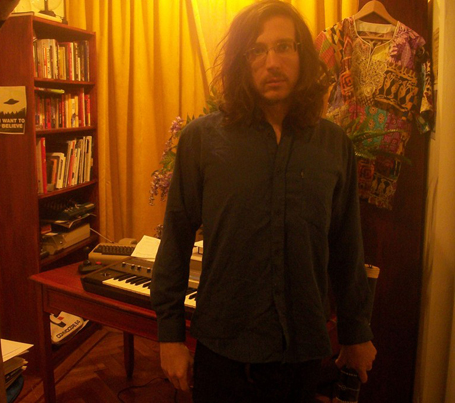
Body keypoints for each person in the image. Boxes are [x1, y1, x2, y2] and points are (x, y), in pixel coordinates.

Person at [150, 1, 377, 402]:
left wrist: (356, 332)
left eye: (284, 46)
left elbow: (346, 246)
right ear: (241, 61)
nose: (272, 62)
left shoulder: (334, 145)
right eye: (256, 50)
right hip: (222, 352)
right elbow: (176, 240)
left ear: (302, 55)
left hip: (301, 356)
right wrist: (170, 337)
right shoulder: (201, 141)